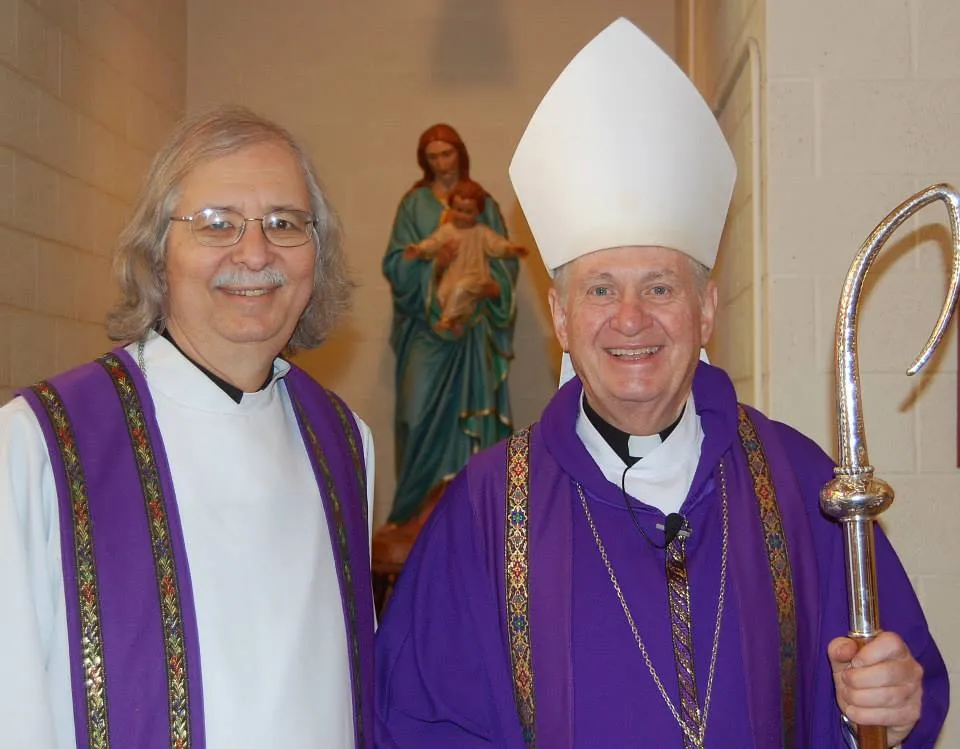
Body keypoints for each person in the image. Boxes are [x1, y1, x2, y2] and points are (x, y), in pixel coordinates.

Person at [375, 18, 948, 748]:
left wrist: (892, 701)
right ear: (559, 313)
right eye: (601, 290)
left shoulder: (804, 487)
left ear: (706, 309)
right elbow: (419, 724)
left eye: (660, 288)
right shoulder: (485, 513)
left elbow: (897, 690)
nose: (631, 320)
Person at [0, 105, 376, 749]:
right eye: (216, 224)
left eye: (285, 223)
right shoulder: (40, 445)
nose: (254, 253)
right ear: (157, 253)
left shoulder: (343, 440)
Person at [383, 124, 519, 524]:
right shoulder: (414, 206)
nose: (442, 163)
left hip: (473, 331)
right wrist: (431, 268)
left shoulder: (484, 204)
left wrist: (496, 288)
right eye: (433, 157)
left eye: (448, 154)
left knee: (475, 415)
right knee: (416, 410)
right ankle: (413, 516)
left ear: (460, 153)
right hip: (428, 331)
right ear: (425, 161)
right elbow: (396, 263)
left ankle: (478, 515)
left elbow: (505, 260)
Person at [404, 179, 528, 336]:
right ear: (451, 209)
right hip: (453, 275)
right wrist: (418, 249)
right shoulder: (447, 231)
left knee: (461, 289)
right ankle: (457, 323)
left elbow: (496, 244)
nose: (462, 216)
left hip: (476, 277)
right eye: (458, 210)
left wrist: (511, 249)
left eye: (468, 211)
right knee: (442, 296)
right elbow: (433, 243)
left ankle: (447, 321)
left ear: (478, 212)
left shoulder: (481, 232)